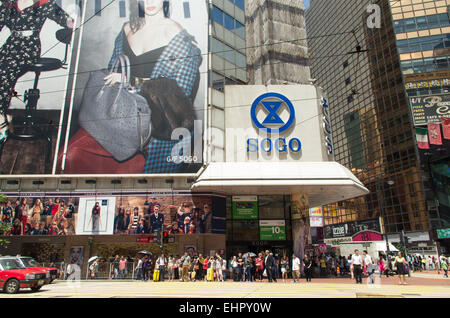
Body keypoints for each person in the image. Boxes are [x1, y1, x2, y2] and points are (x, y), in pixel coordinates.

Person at [62, 0, 202, 174]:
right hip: (120, 115)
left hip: (157, 127)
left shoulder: (178, 36)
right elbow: (112, 67)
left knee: (141, 185)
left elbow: (180, 91)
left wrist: (132, 82)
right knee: (71, 153)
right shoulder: (127, 29)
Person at [0, 0, 74, 146]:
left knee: (4, 71)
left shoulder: (43, 3)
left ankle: (1, 120)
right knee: (4, 70)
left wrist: (74, 22)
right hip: (10, 45)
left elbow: (66, 20)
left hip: (29, 46)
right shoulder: (8, 5)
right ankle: (3, 116)